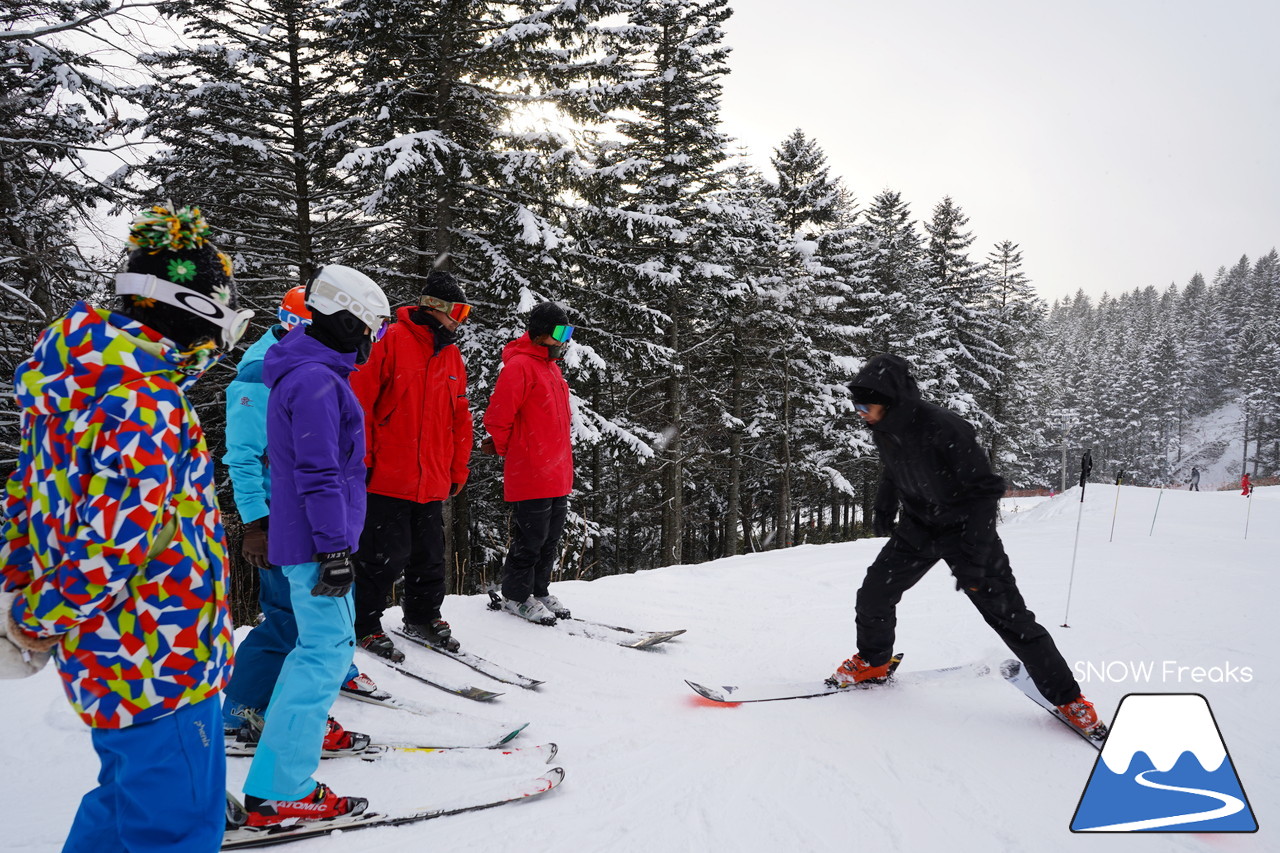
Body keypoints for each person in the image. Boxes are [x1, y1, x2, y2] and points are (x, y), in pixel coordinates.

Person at [0, 204, 242, 851]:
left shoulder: (70, 385)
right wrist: (36, 615)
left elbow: (26, 500)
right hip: (161, 660)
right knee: (175, 826)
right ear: (193, 311)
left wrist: (19, 588)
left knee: (122, 805)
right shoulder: (146, 400)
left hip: (111, 659)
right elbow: (114, 542)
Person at [833, 354, 1105, 737]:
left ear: (891, 399)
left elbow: (985, 492)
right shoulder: (884, 427)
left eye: (865, 405)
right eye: (855, 406)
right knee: (875, 594)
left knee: (1009, 618)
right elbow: (893, 469)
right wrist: (884, 504)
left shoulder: (943, 428)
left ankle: (1068, 698)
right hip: (918, 527)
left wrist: (976, 555)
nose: (859, 413)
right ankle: (875, 662)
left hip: (965, 531)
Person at [240, 265, 391, 826]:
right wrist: (332, 549)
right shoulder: (315, 381)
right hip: (313, 543)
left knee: (318, 654)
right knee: (321, 657)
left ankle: (277, 782)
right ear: (349, 320)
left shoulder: (315, 371)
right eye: (371, 325)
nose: (373, 338)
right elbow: (319, 473)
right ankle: (282, 789)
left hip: (310, 539)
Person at [221, 287, 381, 739]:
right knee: (288, 615)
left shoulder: (310, 362)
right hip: (284, 519)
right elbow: (243, 454)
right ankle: (248, 707)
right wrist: (256, 522)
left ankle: (321, 673)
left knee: (311, 616)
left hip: (310, 514)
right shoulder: (262, 371)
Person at [350, 271, 473, 661]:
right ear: (436, 308)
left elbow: (459, 417)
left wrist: (457, 468)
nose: (461, 320)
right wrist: (363, 459)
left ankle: (422, 615)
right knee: (383, 557)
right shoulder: (391, 341)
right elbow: (361, 403)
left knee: (429, 555)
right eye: (459, 311)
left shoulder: (451, 354)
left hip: (432, 478)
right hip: (387, 475)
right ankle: (364, 623)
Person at [482, 301, 576, 624]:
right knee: (530, 539)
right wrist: (518, 453)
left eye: (568, 332)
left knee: (550, 538)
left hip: (557, 473)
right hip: (532, 472)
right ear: (540, 335)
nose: (565, 339)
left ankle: (538, 589)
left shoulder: (552, 368)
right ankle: (516, 596)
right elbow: (497, 419)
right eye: (560, 332)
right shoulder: (520, 366)